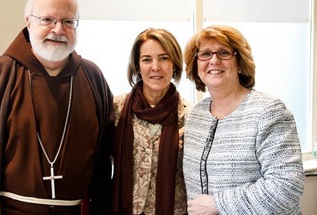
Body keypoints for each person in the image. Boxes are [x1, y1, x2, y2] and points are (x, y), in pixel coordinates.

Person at [0, 0, 114, 215]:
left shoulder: (93, 78)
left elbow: (105, 164)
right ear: (29, 21)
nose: (58, 30)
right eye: (47, 20)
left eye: (68, 22)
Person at [183, 25, 305, 215]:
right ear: (196, 64)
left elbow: (287, 186)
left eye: (224, 53)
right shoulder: (195, 115)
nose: (214, 60)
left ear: (240, 63)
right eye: (205, 54)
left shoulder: (268, 111)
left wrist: (219, 204)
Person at [111, 28, 192, 215]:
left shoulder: (191, 115)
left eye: (164, 58)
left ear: (175, 64)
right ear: (138, 66)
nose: (156, 67)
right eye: (147, 59)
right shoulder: (116, 109)